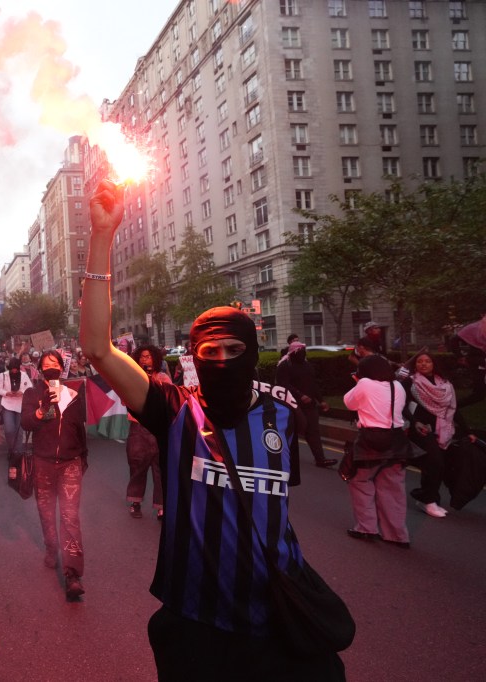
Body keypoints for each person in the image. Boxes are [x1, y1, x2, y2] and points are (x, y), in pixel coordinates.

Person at [81, 180, 345, 680]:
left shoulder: (282, 414)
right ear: (195, 359)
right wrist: (102, 237)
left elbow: (278, 509)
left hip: (279, 618)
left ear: (253, 352)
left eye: (234, 352)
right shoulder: (174, 408)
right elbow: (97, 348)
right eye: (210, 353)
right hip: (197, 621)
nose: (222, 362)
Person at [20, 350, 88, 600]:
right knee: (47, 513)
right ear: (39, 370)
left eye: (55, 364)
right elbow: (26, 423)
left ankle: (73, 574)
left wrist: (83, 457)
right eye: (46, 365)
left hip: (70, 463)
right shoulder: (32, 393)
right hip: (43, 463)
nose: (51, 368)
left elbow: (79, 427)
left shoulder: (73, 394)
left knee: (70, 517)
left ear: (63, 368)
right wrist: (43, 408)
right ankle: (51, 547)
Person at [343, 354, 411, 548]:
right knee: (393, 486)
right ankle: (397, 535)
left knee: (360, 481)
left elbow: (349, 402)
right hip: (397, 440)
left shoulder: (364, 384)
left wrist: (357, 382)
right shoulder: (397, 386)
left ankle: (366, 528)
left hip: (370, 440)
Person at [404, 352, 480, 516]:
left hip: (443, 429)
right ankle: (428, 501)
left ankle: (427, 497)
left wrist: (468, 432)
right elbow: (402, 406)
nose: (423, 364)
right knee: (435, 462)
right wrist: (414, 421)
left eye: (427, 361)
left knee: (439, 465)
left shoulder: (445, 384)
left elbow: (452, 409)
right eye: (420, 362)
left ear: (434, 364)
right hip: (421, 429)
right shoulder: (410, 382)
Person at [275, 342, 338, 468]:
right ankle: (282, 458)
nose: (303, 353)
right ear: (293, 352)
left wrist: (321, 400)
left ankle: (320, 459)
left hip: (309, 405)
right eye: (300, 351)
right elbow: (284, 384)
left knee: (313, 431)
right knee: (290, 432)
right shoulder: (284, 366)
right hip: (292, 405)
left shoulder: (308, 366)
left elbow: (313, 384)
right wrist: (300, 395)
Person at [126, 346, 166, 520]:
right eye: (142, 357)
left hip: (158, 428)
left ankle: (161, 507)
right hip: (138, 428)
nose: (144, 360)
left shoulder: (163, 377)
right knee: (137, 467)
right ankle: (135, 503)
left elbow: (169, 400)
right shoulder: (132, 378)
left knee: (161, 469)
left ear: (155, 359)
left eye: (148, 357)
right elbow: (125, 397)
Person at [0, 357, 33, 461]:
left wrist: (22, 392)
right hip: (7, 404)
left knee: (19, 430)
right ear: (9, 368)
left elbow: (29, 387)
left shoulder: (24, 375)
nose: (14, 371)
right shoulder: (3, 375)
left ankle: (18, 452)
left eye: (16, 369)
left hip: (20, 405)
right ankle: (11, 449)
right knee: (9, 429)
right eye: (12, 369)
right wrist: (6, 393)